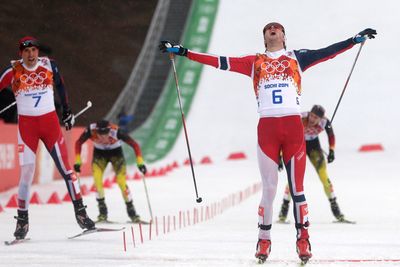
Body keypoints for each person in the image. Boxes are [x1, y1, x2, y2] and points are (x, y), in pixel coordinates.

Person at [159, 25, 376, 262]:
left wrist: (354, 40)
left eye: (277, 28)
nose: (272, 29)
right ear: (264, 37)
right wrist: (184, 52)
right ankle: (264, 241)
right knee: (270, 189)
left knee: (297, 189)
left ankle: (303, 240)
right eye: (268, 29)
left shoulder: (297, 57)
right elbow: (219, 61)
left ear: (284, 36)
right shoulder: (254, 61)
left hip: (293, 128)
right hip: (267, 130)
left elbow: (328, 52)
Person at [0, 36, 95, 240]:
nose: (31, 54)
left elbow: (61, 86)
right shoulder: (12, 71)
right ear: (21, 53)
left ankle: (81, 214)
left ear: (38, 51)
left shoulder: (49, 65)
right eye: (26, 51)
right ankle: (22, 223)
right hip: (27, 129)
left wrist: (67, 111)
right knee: (26, 174)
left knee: (67, 171)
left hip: (50, 125)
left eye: (34, 50)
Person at [277, 105, 349, 223]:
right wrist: (279, 156)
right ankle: (283, 212)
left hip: (313, 147)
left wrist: (331, 151)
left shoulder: (325, 122)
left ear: (320, 119)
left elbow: (331, 136)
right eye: (312, 116)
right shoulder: (299, 118)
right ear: (309, 113)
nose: (312, 119)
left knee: (324, 177)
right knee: (294, 179)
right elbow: (284, 137)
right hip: (297, 145)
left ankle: (337, 211)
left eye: (316, 118)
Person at [74, 119, 147, 222]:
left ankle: (133, 214)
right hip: (99, 155)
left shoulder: (117, 131)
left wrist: (140, 162)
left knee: (121, 182)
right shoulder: (91, 130)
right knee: (97, 181)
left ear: (109, 131)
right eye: (100, 134)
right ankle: (102, 214)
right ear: (96, 131)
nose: (103, 137)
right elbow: (78, 142)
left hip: (116, 154)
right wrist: (77, 160)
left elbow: (134, 144)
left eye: (106, 134)